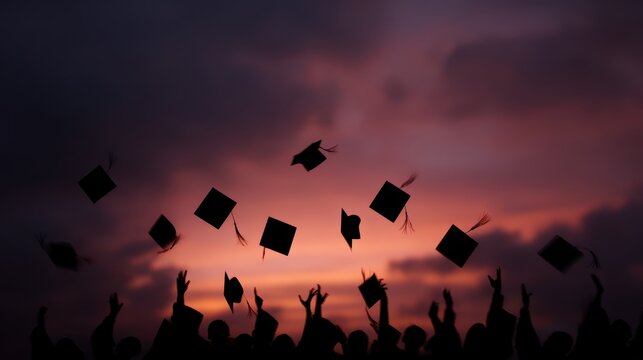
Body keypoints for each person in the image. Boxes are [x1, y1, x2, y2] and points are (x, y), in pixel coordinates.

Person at [91, 292, 141, 360]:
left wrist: (113, 314)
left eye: (125, 342)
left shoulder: (105, 356)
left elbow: (99, 339)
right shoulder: (106, 355)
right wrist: (113, 314)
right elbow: (100, 338)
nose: (115, 343)